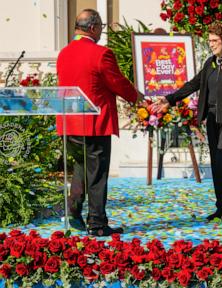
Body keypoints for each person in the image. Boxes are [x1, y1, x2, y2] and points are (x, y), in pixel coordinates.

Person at [153, 21, 222, 221]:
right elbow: (193, 84)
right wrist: (169, 99)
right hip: (213, 119)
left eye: (215, 41)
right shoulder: (210, 63)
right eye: (210, 41)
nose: (212, 44)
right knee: (217, 164)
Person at [56, 9, 143, 236]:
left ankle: (73, 211)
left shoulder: (64, 53)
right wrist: (137, 97)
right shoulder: (100, 53)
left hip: (70, 122)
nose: (101, 32)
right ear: (93, 27)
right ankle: (96, 223)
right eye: (101, 28)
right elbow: (117, 82)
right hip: (94, 123)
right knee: (96, 174)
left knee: (80, 167)